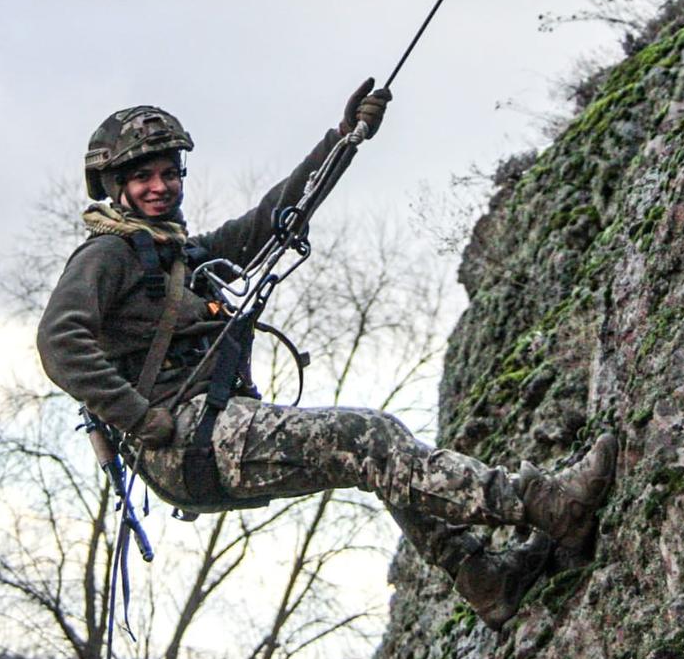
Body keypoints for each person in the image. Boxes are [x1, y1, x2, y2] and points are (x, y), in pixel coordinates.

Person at [37, 80, 617, 630]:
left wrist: (343, 138)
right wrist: (142, 418)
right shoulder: (108, 255)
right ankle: (547, 504)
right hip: (186, 441)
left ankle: (486, 580)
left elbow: (272, 219)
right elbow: (60, 342)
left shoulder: (177, 254)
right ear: (115, 186)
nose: (159, 186)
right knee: (368, 438)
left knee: (369, 456)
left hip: (207, 434)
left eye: (169, 173)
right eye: (143, 177)